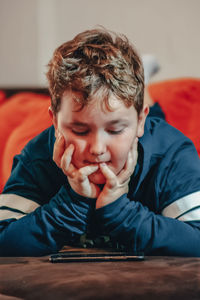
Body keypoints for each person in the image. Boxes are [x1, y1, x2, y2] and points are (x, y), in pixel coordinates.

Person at [0, 28, 200, 257]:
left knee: (154, 124)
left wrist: (120, 211)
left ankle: (142, 88)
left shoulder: (171, 152)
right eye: (80, 130)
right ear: (55, 123)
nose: (97, 149)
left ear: (139, 121)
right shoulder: (37, 156)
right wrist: (72, 202)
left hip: (150, 133)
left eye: (115, 130)